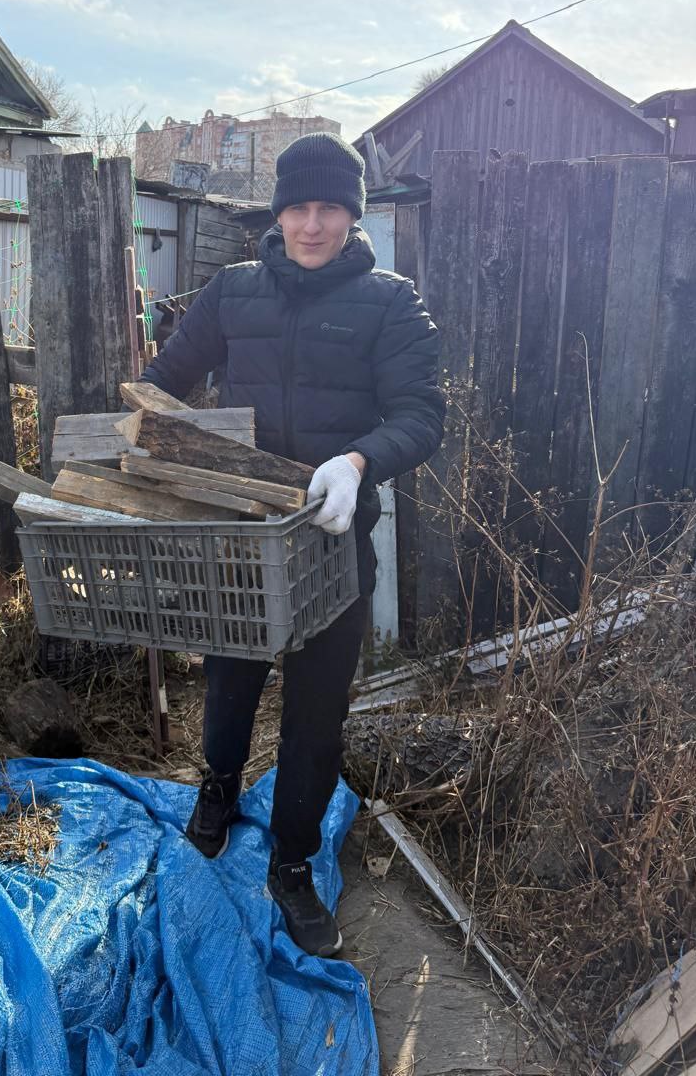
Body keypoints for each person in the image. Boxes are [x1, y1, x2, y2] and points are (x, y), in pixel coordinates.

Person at [141, 132, 444, 956]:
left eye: (329, 209)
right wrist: (153, 442)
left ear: (352, 215)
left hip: (333, 540)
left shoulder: (391, 302)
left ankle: (293, 863)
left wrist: (357, 461)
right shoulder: (233, 292)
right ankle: (217, 791)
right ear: (278, 215)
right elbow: (164, 382)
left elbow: (422, 415)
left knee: (316, 709)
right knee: (231, 675)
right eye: (298, 208)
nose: (312, 225)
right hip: (241, 534)